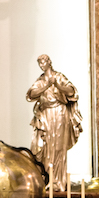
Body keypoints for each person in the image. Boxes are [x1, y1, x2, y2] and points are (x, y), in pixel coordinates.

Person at [25, 54, 82, 190]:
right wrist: (46, 85)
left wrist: (57, 85)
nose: (42, 65)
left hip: (59, 113)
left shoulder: (59, 77)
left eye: (43, 62)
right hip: (45, 115)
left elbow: (71, 91)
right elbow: (31, 94)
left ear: (49, 62)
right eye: (40, 63)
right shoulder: (41, 80)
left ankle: (58, 182)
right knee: (45, 148)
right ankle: (47, 180)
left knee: (58, 147)